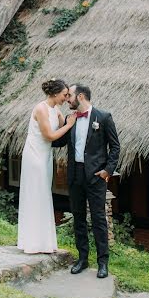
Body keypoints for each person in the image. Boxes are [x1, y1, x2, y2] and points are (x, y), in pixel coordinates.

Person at [52, 84, 120, 279]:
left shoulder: (103, 117)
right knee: (78, 217)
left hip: (96, 176)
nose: (67, 99)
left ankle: (103, 262)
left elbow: (115, 148)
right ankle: (82, 259)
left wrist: (107, 171)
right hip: (75, 175)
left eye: (70, 96)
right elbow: (57, 142)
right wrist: (52, 120)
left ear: (80, 97)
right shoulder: (69, 119)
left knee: (98, 219)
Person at [17, 78, 75, 254]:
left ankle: (44, 242)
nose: (66, 98)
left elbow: (62, 124)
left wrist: (71, 120)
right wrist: (70, 124)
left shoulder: (55, 109)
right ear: (56, 93)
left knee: (43, 194)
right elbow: (50, 135)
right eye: (65, 95)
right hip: (35, 156)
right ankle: (32, 242)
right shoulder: (41, 108)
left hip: (46, 155)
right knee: (36, 193)